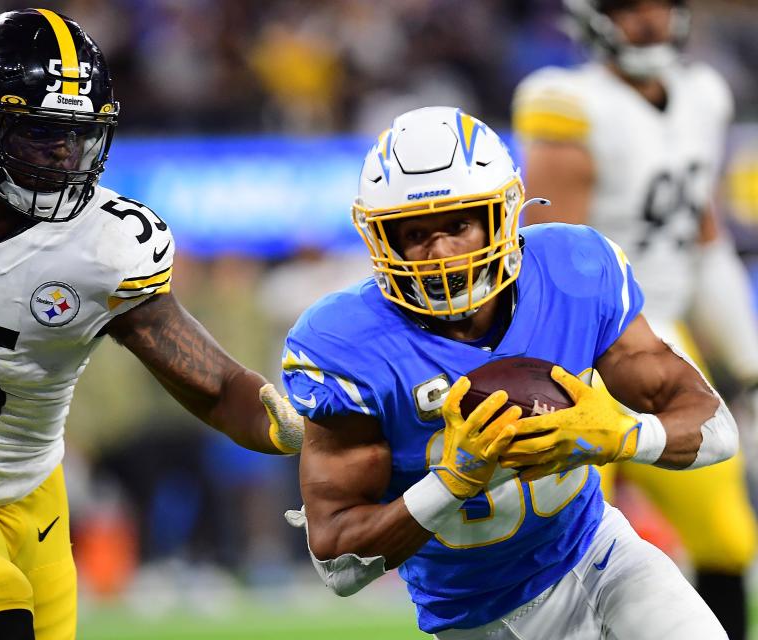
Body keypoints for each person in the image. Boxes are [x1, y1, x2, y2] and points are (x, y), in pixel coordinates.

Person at [0, 9, 303, 640]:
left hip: (32, 499)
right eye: (40, 134)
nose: (64, 157)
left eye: (79, 137)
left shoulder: (104, 249)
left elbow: (216, 384)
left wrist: (291, 428)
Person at [281, 105, 737, 639]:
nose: (441, 253)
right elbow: (340, 566)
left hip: (602, 555)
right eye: (414, 233)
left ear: (503, 214)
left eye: (458, 225)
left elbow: (715, 428)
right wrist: (452, 482)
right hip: (475, 616)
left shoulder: (574, 269)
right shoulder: (346, 343)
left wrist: (621, 435)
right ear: (381, 239)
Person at [512, 1, 758, 637]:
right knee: (562, 549)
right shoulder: (567, 102)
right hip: (582, 349)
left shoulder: (704, 96)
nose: (647, 20)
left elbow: (702, 234)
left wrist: (747, 358)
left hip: (666, 338)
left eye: (658, 4)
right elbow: (551, 251)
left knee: (727, 537)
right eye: (628, 7)